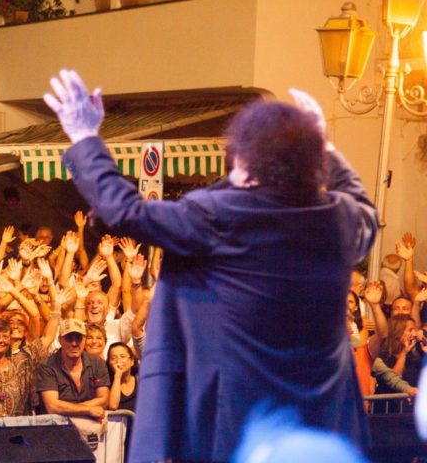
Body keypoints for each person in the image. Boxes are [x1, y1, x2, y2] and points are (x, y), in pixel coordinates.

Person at [43, 70, 378, 461]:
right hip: (325, 421)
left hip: (241, 421)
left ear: (248, 162)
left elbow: (126, 210)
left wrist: (85, 137)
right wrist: (326, 149)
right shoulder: (338, 218)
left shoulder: (220, 214)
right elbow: (364, 205)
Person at [36, 318, 110, 419]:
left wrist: (69, 409)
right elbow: (52, 406)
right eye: (69, 338)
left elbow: (104, 399)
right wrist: (88, 410)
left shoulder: (97, 363)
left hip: (89, 427)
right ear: (60, 340)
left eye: (78, 338)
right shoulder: (47, 366)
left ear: (84, 340)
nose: (74, 343)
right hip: (57, 430)